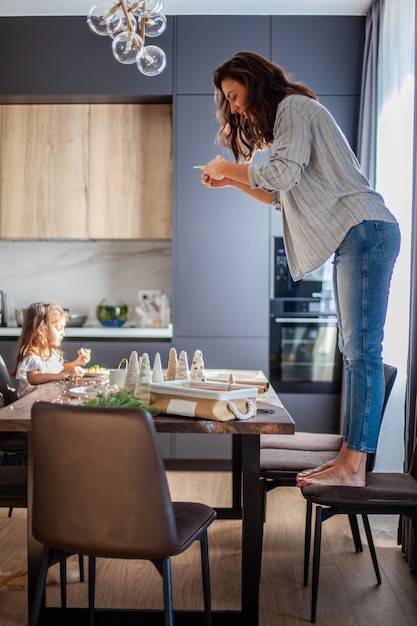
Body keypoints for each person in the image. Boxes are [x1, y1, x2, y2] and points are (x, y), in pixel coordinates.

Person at [200, 51, 401, 488]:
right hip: (356, 234)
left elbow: (280, 176)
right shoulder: (291, 118)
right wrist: (232, 179)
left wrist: (224, 167)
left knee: (362, 353)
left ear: (253, 81)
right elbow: (278, 195)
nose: (233, 107)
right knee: (356, 354)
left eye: (234, 95)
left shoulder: (292, 107)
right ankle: (349, 459)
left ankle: (352, 466)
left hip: (364, 230)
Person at [13, 302, 91, 397]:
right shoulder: (31, 354)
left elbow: (58, 369)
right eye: (59, 328)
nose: (63, 333)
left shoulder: (51, 353)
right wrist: (62, 376)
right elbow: (33, 378)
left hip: (46, 399)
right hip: (30, 404)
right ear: (41, 330)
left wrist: (77, 362)